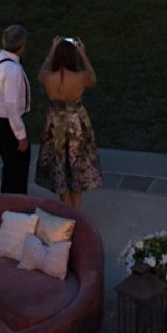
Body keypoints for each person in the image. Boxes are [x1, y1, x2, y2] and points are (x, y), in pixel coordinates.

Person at [35, 36, 103, 208]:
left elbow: (40, 74)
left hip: (55, 124)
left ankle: (64, 209)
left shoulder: (49, 77)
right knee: (76, 167)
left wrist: (52, 50)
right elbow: (93, 78)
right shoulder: (80, 77)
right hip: (76, 125)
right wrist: (83, 54)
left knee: (60, 166)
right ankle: (76, 212)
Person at [0, 25, 32, 194]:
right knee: (18, 166)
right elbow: (11, 106)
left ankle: (7, 198)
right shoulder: (13, 70)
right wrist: (21, 135)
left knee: (10, 163)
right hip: (6, 123)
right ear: (22, 45)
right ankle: (16, 205)